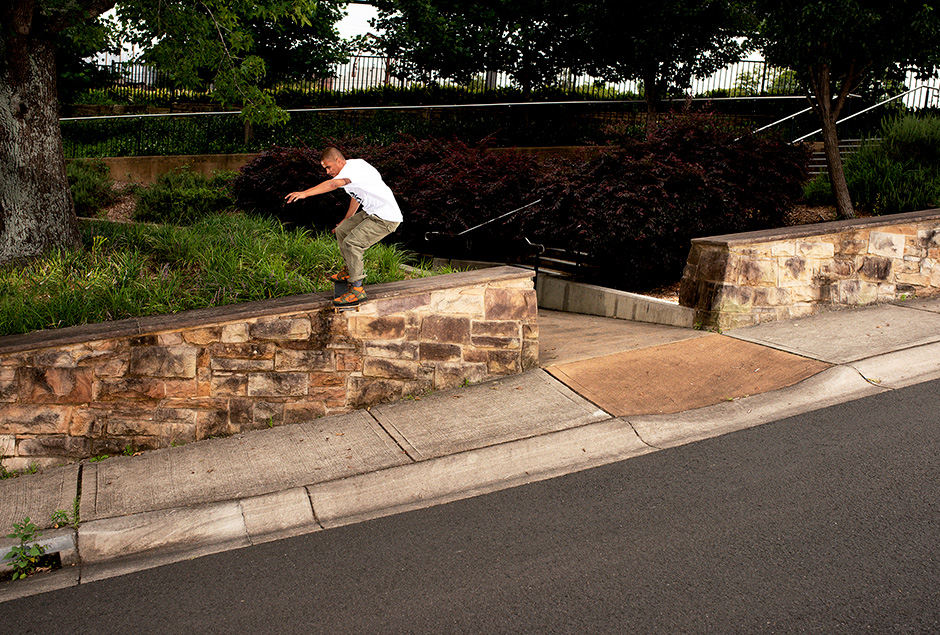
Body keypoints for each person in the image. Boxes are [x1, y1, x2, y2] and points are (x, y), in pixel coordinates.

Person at [285, 147, 403, 306]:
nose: (327, 172)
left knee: (352, 243)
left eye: (328, 167)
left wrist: (305, 193)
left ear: (338, 161)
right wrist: (347, 219)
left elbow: (332, 184)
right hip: (371, 212)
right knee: (342, 230)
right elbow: (358, 195)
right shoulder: (351, 170)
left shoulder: (353, 170)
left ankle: (357, 290)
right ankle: (349, 269)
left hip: (386, 218)